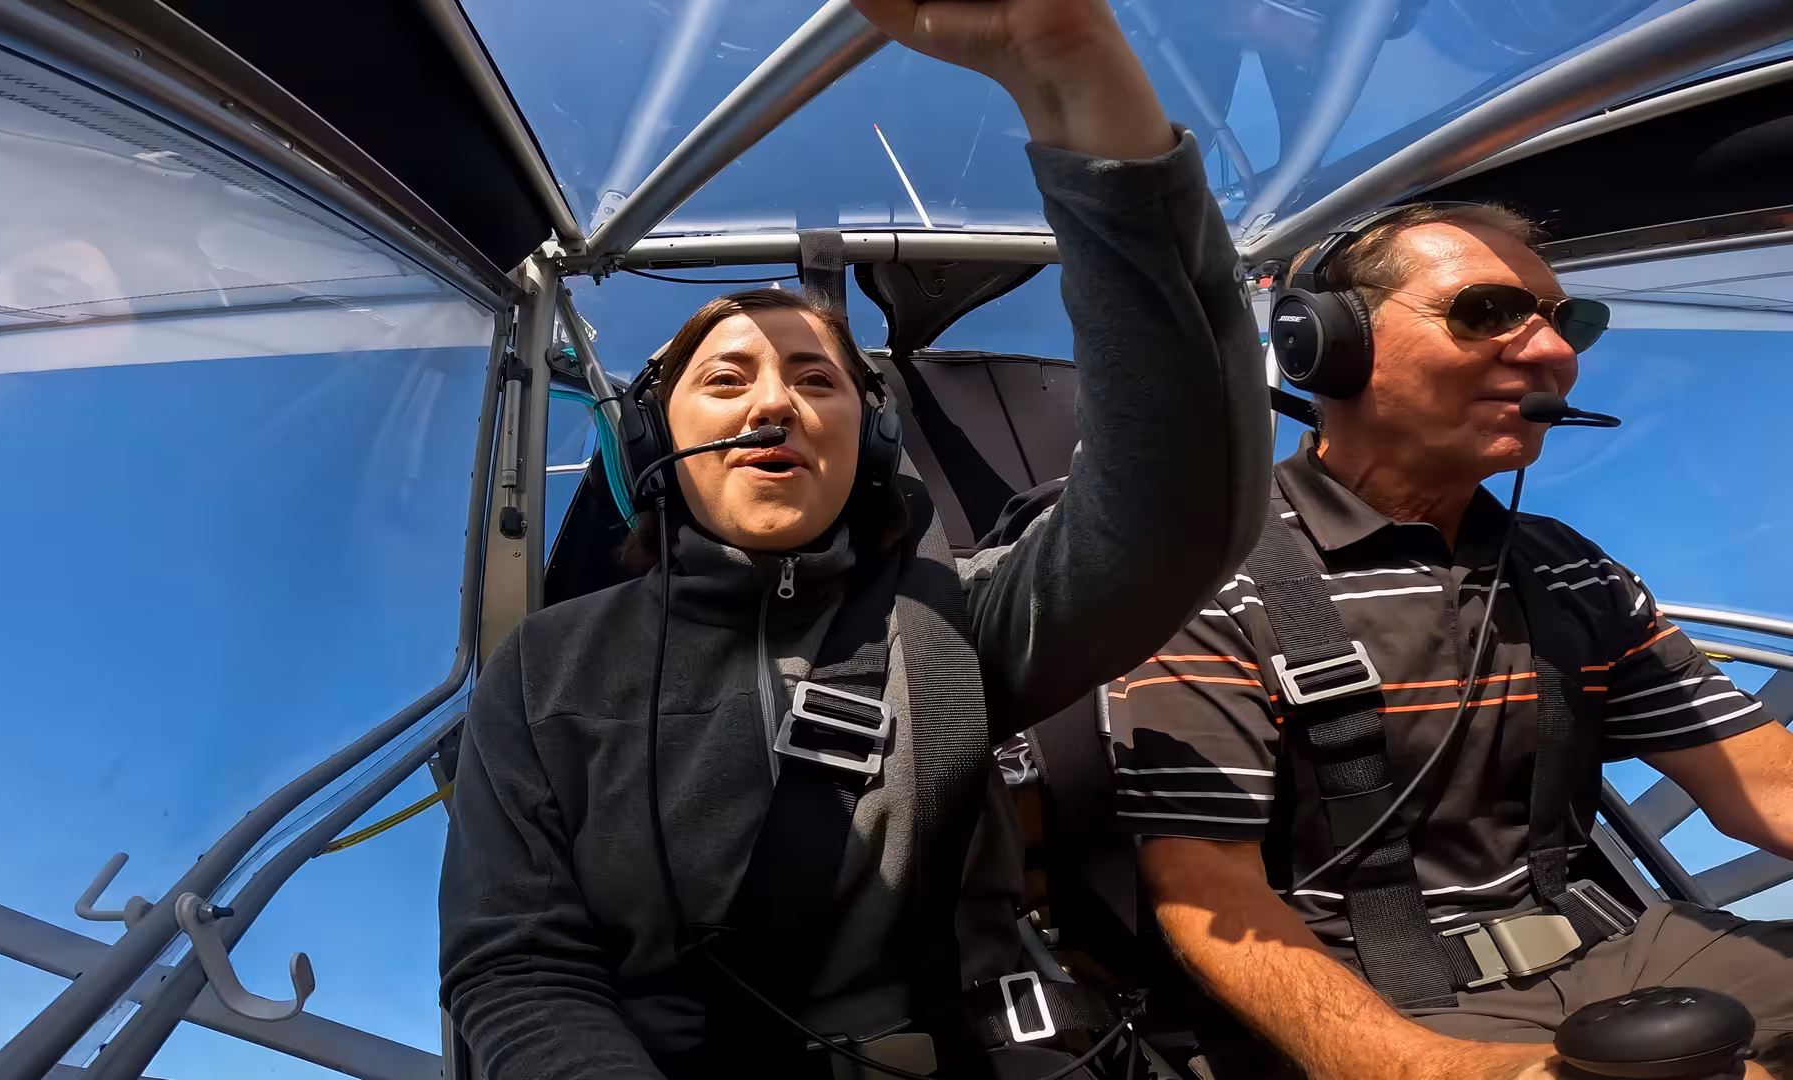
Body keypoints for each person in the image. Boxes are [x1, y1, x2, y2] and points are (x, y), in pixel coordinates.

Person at [437, 1, 1273, 1078]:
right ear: (655, 434)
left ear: (871, 442)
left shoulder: (958, 618)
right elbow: (519, 969)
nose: (772, 406)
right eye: (726, 379)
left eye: (816, 380)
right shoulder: (542, 673)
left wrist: (1072, 74)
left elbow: (1180, 507)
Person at [1113, 201, 1793, 1080]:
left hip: (1626, 957)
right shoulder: (1203, 572)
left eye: (1566, 323)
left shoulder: (1567, 569)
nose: (1556, 354)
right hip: (1385, 1006)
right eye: (1487, 312)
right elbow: (1208, 894)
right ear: (1328, 345)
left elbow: (1765, 786)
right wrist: (1435, 1070)